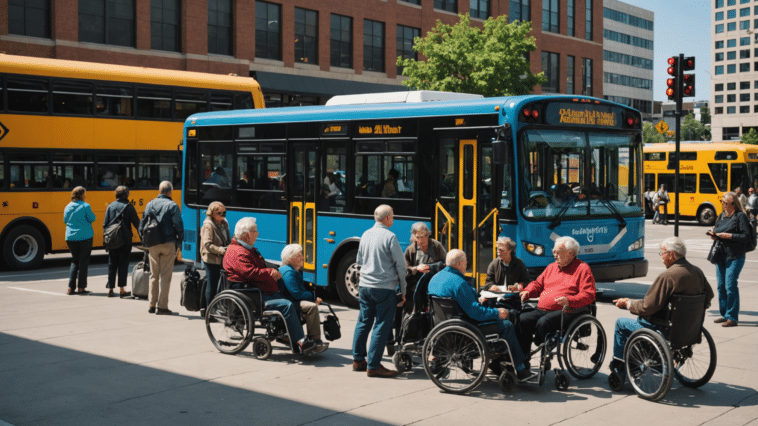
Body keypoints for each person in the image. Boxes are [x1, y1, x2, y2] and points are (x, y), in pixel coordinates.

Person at [610, 237, 714, 376]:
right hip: (688, 328)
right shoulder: (697, 272)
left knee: (621, 323)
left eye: (662, 253)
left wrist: (628, 303)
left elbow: (647, 306)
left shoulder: (668, 276)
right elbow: (708, 295)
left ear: (671, 254)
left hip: (663, 329)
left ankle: (620, 369)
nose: (662, 258)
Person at [428, 249, 532, 381]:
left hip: (445, 326)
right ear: (459, 263)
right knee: (507, 324)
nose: (466, 265)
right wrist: (496, 313)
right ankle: (520, 368)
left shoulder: (435, 279)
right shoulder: (459, 284)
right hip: (467, 327)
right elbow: (475, 313)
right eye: (465, 262)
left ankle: (500, 363)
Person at [223, 217, 317, 354]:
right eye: (255, 231)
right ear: (248, 234)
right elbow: (250, 272)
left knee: (289, 300)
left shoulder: (245, 249)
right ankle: (300, 342)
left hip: (258, 289)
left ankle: (291, 337)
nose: (258, 233)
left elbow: (258, 266)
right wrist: (270, 272)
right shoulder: (237, 252)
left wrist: (275, 269)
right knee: (286, 304)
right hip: (251, 294)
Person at [516, 236, 596, 360]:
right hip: (543, 309)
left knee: (543, 323)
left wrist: (569, 301)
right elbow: (537, 284)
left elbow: (589, 295)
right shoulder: (551, 267)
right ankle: (523, 357)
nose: (555, 255)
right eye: (554, 252)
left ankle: (544, 347)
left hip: (568, 310)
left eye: (558, 252)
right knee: (522, 319)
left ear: (570, 253)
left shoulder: (582, 269)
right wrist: (528, 292)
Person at [352, 204, 406, 378]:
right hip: (384, 287)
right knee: (382, 324)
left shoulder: (365, 234)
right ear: (388, 217)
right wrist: (403, 289)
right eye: (393, 216)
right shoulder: (391, 237)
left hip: (365, 286)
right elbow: (401, 265)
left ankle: (358, 360)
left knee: (363, 321)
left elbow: (359, 260)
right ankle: (374, 365)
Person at [388, 222, 447, 355]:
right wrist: (416, 269)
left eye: (424, 236)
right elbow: (404, 270)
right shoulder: (410, 249)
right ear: (414, 237)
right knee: (413, 315)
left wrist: (431, 267)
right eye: (418, 237)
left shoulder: (436, 246)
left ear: (428, 235)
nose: (421, 240)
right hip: (414, 289)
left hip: (433, 286)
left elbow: (446, 264)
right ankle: (411, 342)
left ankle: (434, 344)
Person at [139, 181, 184, 315]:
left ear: (159, 191)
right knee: (165, 276)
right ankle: (162, 306)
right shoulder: (173, 205)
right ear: (170, 192)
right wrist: (180, 241)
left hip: (152, 243)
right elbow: (178, 225)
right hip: (168, 243)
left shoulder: (150, 204)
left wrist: (144, 240)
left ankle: (151, 304)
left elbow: (142, 224)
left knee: (154, 275)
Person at [708, 191, 751, 327]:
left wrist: (729, 236)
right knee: (721, 287)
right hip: (720, 255)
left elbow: (746, 237)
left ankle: (732, 317)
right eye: (722, 202)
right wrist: (715, 235)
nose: (723, 204)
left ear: (733, 203)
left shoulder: (740, 216)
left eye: (725, 202)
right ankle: (725, 314)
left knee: (730, 286)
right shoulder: (721, 216)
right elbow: (717, 231)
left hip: (735, 256)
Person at [279, 244, 328, 353]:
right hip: (288, 303)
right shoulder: (288, 272)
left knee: (312, 305)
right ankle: (316, 340)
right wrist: (313, 297)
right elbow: (296, 294)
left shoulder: (295, 271)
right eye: (299, 255)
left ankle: (312, 340)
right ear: (290, 259)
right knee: (311, 307)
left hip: (293, 301)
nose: (302, 257)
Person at [103, 186, 140, 297]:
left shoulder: (110, 206)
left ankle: (110, 289)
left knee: (112, 264)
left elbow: (105, 224)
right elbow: (138, 225)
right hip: (125, 240)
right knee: (123, 264)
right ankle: (122, 290)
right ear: (126, 195)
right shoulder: (129, 208)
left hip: (112, 240)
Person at [63, 186, 96, 295]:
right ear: (82, 195)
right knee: (83, 262)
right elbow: (92, 218)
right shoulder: (86, 206)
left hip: (70, 237)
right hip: (85, 237)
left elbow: (65, 220)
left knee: (74, 261)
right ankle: (81, 288)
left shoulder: (67, 206)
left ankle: (70, 288)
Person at [200, 202, 231, 307]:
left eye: (224, 213)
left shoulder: (223, 224)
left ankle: (216, 307)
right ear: (212, 213)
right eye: (219, 213)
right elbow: (207, 245)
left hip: (221, 259)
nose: (222, 215)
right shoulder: (208, 226)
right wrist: (222, 250)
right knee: (212, 286)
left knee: (220, 285)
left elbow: (227, 240)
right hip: (211, 260)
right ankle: (209, 311)